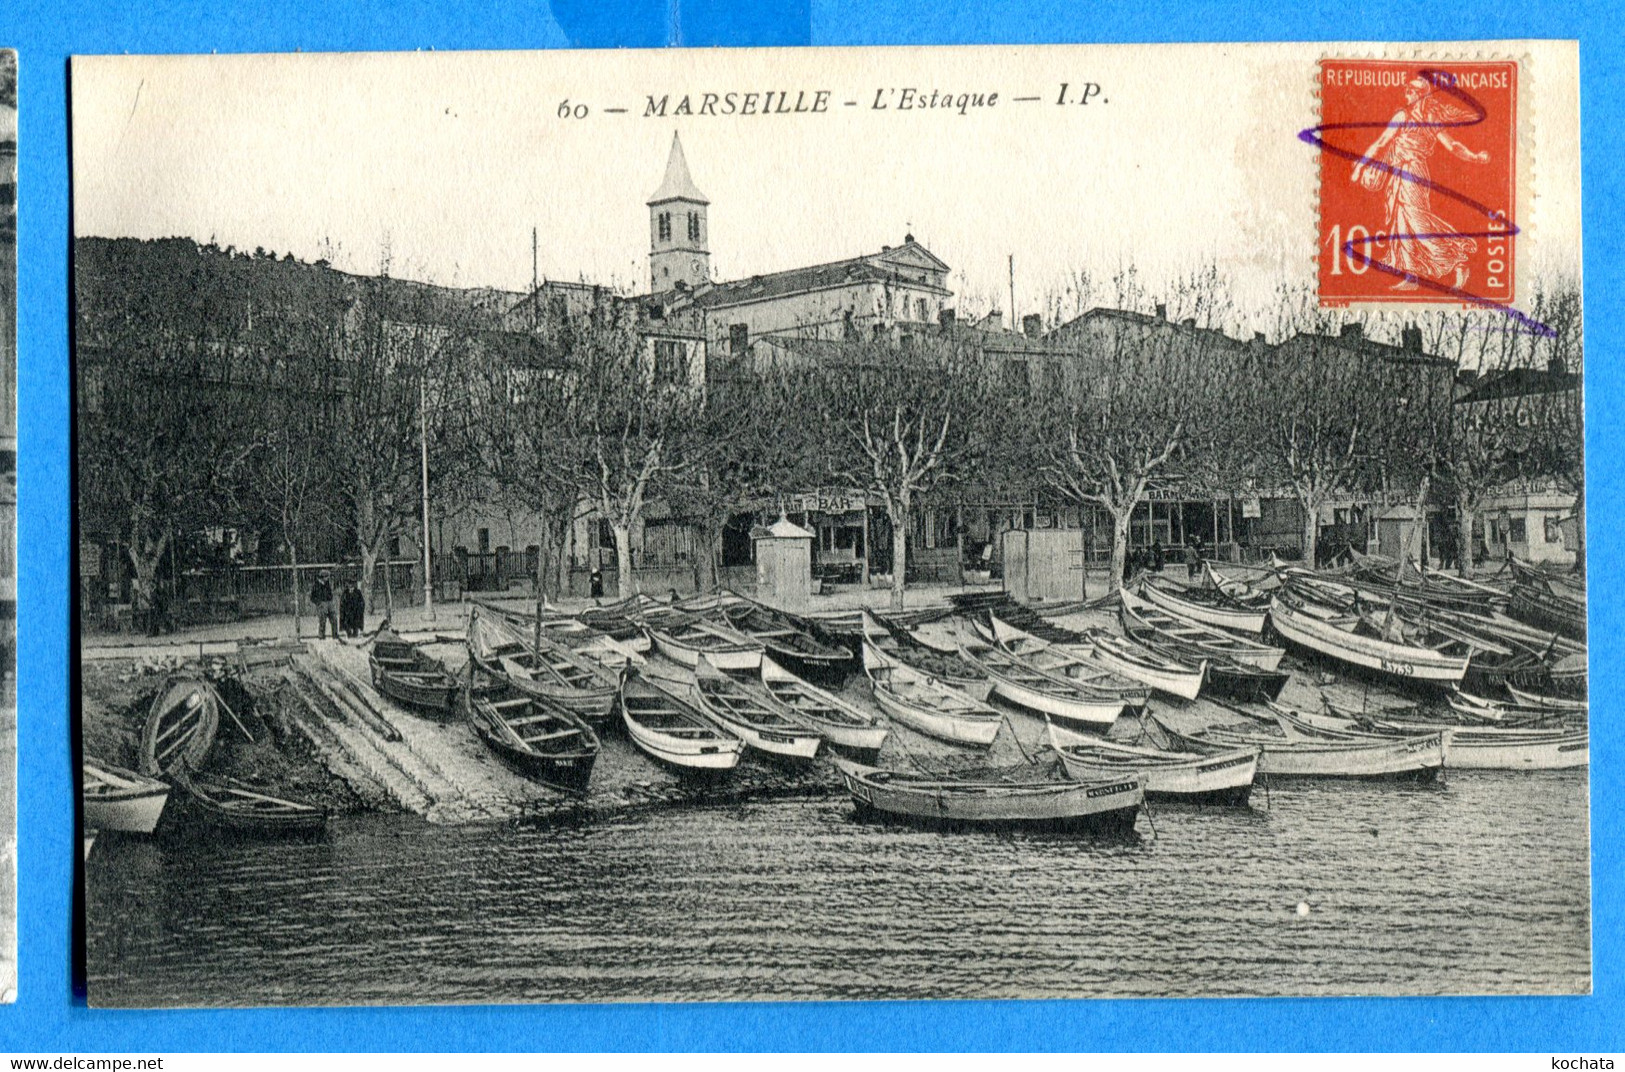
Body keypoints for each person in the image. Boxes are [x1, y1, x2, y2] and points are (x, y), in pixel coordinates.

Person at [1350, 75, 1492, 291]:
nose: (1407, 94)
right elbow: (1381, 143)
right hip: (1399, 172)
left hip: (1414, 171)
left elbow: (1452, 145)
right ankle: (1411, 277)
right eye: (1406, 91)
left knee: (1417, 222)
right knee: (1401, 223)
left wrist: (1474, 157)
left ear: (1421, 96)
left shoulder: (1429, 119)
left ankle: (1457, 261)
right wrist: (1360, 166)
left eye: (1411, 91)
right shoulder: (1402, 115)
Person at [310, 569, 339, 640]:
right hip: (322, 604)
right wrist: (319, 603)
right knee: (322, 621)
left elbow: (330, 593)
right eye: (327, 577)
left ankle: (335, 635)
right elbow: (312, 597)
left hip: (329, 603)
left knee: (334, 619)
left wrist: (330, 600)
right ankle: (321, 636)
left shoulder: (327, 584)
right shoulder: (316, 586)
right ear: (323, 577)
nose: (328, 578)